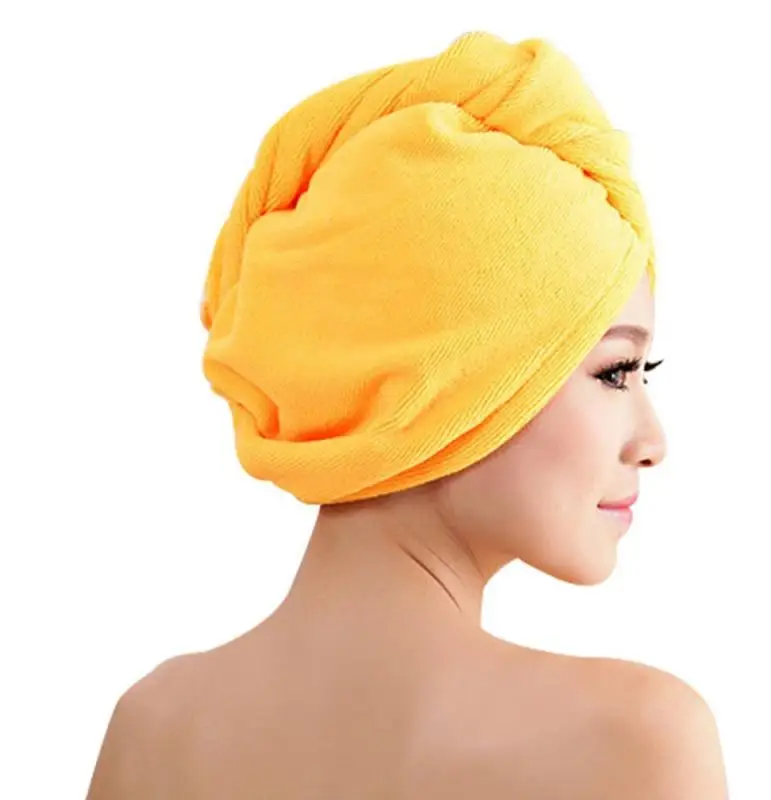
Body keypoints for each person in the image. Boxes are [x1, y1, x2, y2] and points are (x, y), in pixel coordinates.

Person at [86, 32, 728, 799]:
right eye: (615, 371)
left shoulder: (151, 730)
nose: (654, 442)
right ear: (444, 381)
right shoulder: (634, 740)